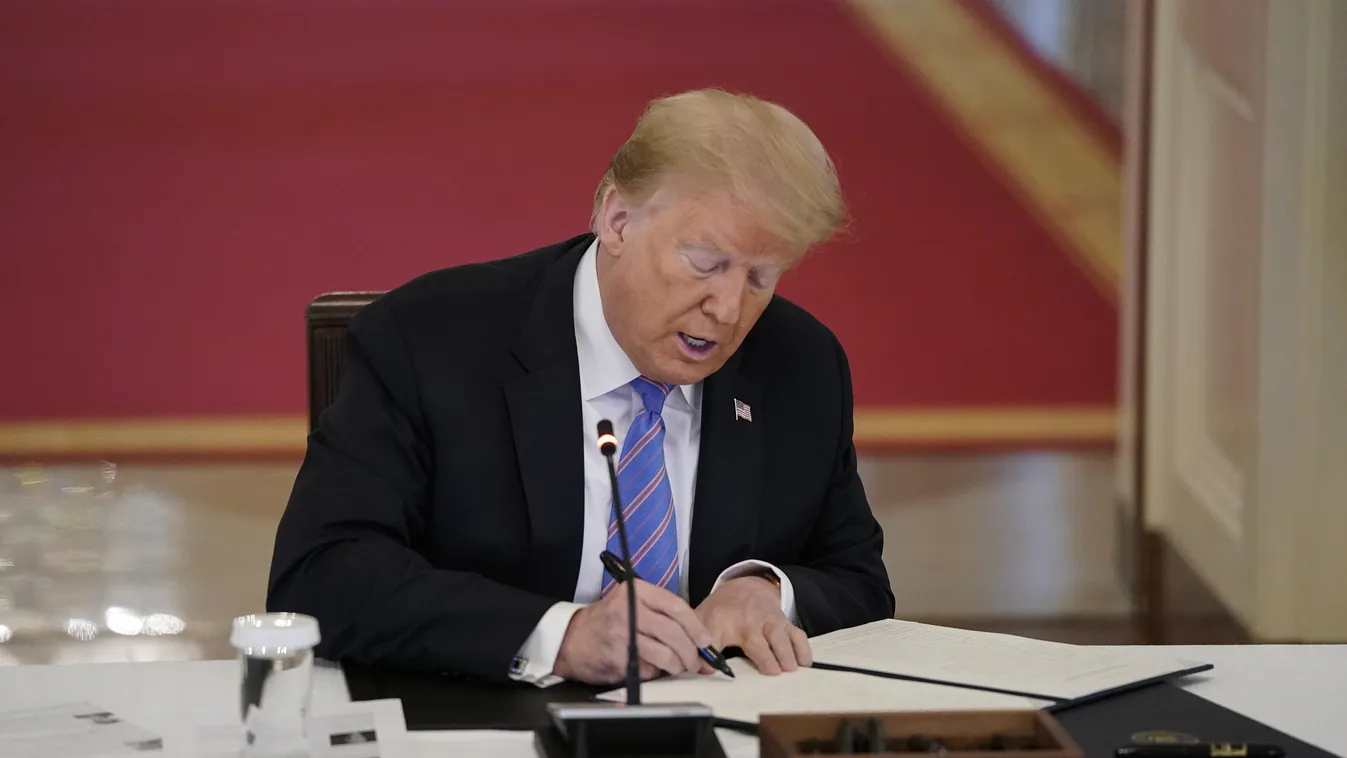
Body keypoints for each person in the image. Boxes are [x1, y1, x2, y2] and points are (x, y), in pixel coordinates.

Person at [266, 88, 895, 687]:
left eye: (761, 278)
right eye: (706, 265)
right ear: (617, 220)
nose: (729, 310)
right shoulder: (430, 339)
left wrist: (768, 589)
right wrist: (558, 636)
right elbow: (321, 575)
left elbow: (859, 580)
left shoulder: (799, 364)